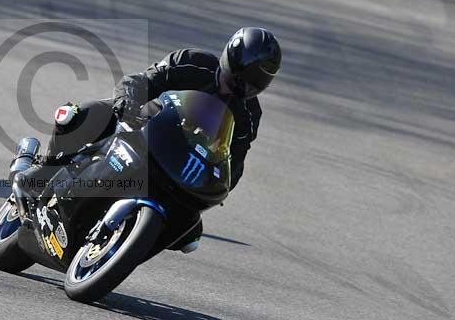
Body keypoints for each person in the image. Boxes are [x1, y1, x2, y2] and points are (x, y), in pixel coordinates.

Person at [20, 27, 282, 251]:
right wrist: (128, 107)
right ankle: (42, 170)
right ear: (231, 59)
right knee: (83, 114)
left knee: (190, 232)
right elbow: (139, 81)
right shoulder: (193, 62)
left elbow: (233, 161)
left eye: (256, 82)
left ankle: (118, 244)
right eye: (243, 77)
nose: (244, 87)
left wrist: (220, 185)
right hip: (141, 126)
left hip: (179, 165)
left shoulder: (249, 115)